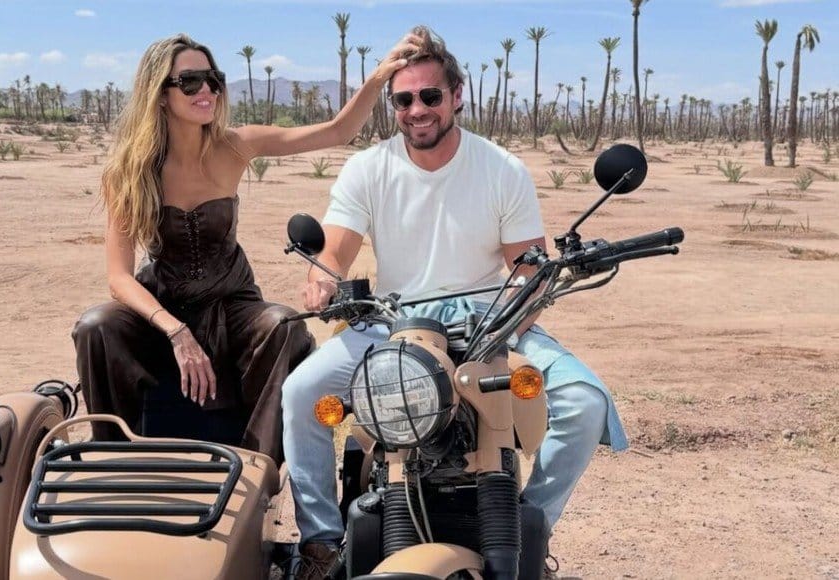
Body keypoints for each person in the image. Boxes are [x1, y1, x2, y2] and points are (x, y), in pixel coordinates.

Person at [281, 25, 629, 579]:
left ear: (456, 95)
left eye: (430, 95)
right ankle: (321, 545)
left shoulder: (500, 168)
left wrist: (512, 316)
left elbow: (527, 267)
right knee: (302, 392)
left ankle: (526, 525)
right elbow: (334, 251)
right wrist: (322, 280)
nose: (417, 110)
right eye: (403, 100)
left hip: (489, 320)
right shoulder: (368, 168)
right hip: (394, 324)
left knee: (583, 404)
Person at [72, 32, 419, 466]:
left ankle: (258, 470)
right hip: (163, 305)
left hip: (232, 303)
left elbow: (338, 131)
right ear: (159, 94)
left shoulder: (234, 146)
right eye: (190, 82)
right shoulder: (129, 169)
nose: (207, 90)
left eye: (213, 79)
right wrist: (176, 331)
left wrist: (379, 76)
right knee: (96, 326)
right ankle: (113, 459)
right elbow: (118, 277)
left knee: (284, 326)